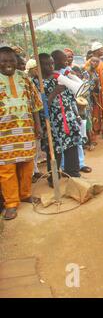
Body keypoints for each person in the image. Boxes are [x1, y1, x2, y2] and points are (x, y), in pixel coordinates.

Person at [0, 47, 43, 220]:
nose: (8, 64)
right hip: (4, 134)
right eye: (3, 61)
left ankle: (25, 194)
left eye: (11, 61)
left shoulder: (25, 78)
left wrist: (38, 125)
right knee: (6, 169)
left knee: (27, 165)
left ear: (17, 62)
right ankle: (11, 203)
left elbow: (35, 104)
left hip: (26, 130)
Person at [39, 52, 82, 187]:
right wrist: (54, 92)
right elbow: (40, 106)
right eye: (46, 64)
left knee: (72, 145)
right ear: (39, 67)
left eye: (52, 63)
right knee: (54, 150)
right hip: (51, 122)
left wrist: (76, 114)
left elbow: (71, 97)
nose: (51, 67)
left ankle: (73, 173)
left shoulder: (58, 77)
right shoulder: (37, 82)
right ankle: (54, 177)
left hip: (68, 119)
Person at [85, 42, 103, 139]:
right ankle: (94, 135)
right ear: (97, 51)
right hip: (96, 93)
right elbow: (87, 78)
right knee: (95, 112)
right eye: (101, 49)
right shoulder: (90, 62)